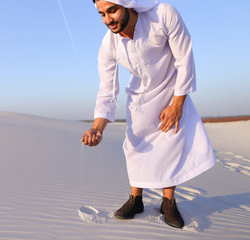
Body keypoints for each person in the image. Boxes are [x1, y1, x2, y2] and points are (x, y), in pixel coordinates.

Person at [81, 0, 216, 228]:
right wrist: (97, 127)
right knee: (135, 146)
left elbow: (184, 58)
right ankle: (136, 200)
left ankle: (168, 203)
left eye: (112, 10)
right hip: (139, 98)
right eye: (102, 14)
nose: (107, 20)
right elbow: (107, 90)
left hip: (171, 92)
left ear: (127, 4)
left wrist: (177, 105)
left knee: (172, 143)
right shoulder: (109, 44)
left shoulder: (163, 14)